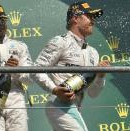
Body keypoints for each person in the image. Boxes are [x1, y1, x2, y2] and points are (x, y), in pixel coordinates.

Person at [33, 1, 110, 131]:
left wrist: (100, 77)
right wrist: (55, 89)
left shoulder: (93, 52)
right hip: (58, 105)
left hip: (75, 108)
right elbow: (35, 70)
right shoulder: (60, 42)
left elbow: (92, 93)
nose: (93, 21)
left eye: (93, 17)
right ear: (75, 18)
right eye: (89, 16)